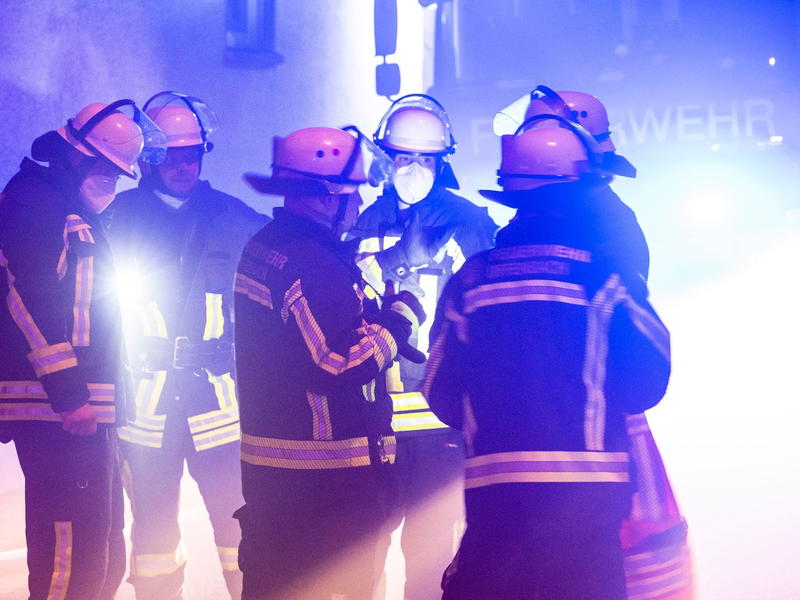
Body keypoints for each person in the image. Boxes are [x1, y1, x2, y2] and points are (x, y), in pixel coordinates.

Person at [423, 116, 672, 600]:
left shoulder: (471, 282)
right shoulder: (605, 278)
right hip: (590, 499)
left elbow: (439, 391)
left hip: (495, 499)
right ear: (579, 198)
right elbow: (649, 379)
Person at [511, 88, 694, 599]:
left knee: (619, 562)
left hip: (595, 431)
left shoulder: (605, 222)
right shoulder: (587, 215)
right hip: (572, 426)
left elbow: (628, 337)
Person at [234, 126, 425, 600]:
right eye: (353, 193)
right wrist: (398, 323)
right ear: (324, 199)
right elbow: (336, 363)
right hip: (325, 488)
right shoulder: (309, 261)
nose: (359, 205)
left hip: (279, 484)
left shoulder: (267, 246)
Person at [0, 101, 166, 600]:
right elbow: (24, 299)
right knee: (68, 560)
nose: (112, 183)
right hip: (58, 409)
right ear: (74, 155)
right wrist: (69, 392)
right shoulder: (35, 204)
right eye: (106, 171)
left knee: (102, 555)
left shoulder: (62, 203)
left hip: (85, 407)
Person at [108, 92, 268, 600]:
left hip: (218, 403)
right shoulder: (114, 220)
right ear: (149, 158)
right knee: (152, 532)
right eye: (173, 154)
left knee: (238, 525)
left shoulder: (237, 220)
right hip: (143, 407)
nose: (185, 164)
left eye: (193, 152)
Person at [346, 94, 497, 600]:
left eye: (425, 158)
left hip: (441, 423)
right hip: (376, 418)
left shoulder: (468, 222)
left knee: (431, 561)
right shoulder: (367, 220)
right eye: (403, 157)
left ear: (442, 161)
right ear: (385, 159)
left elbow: (486, 318)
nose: (412, 168)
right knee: (360, 555)